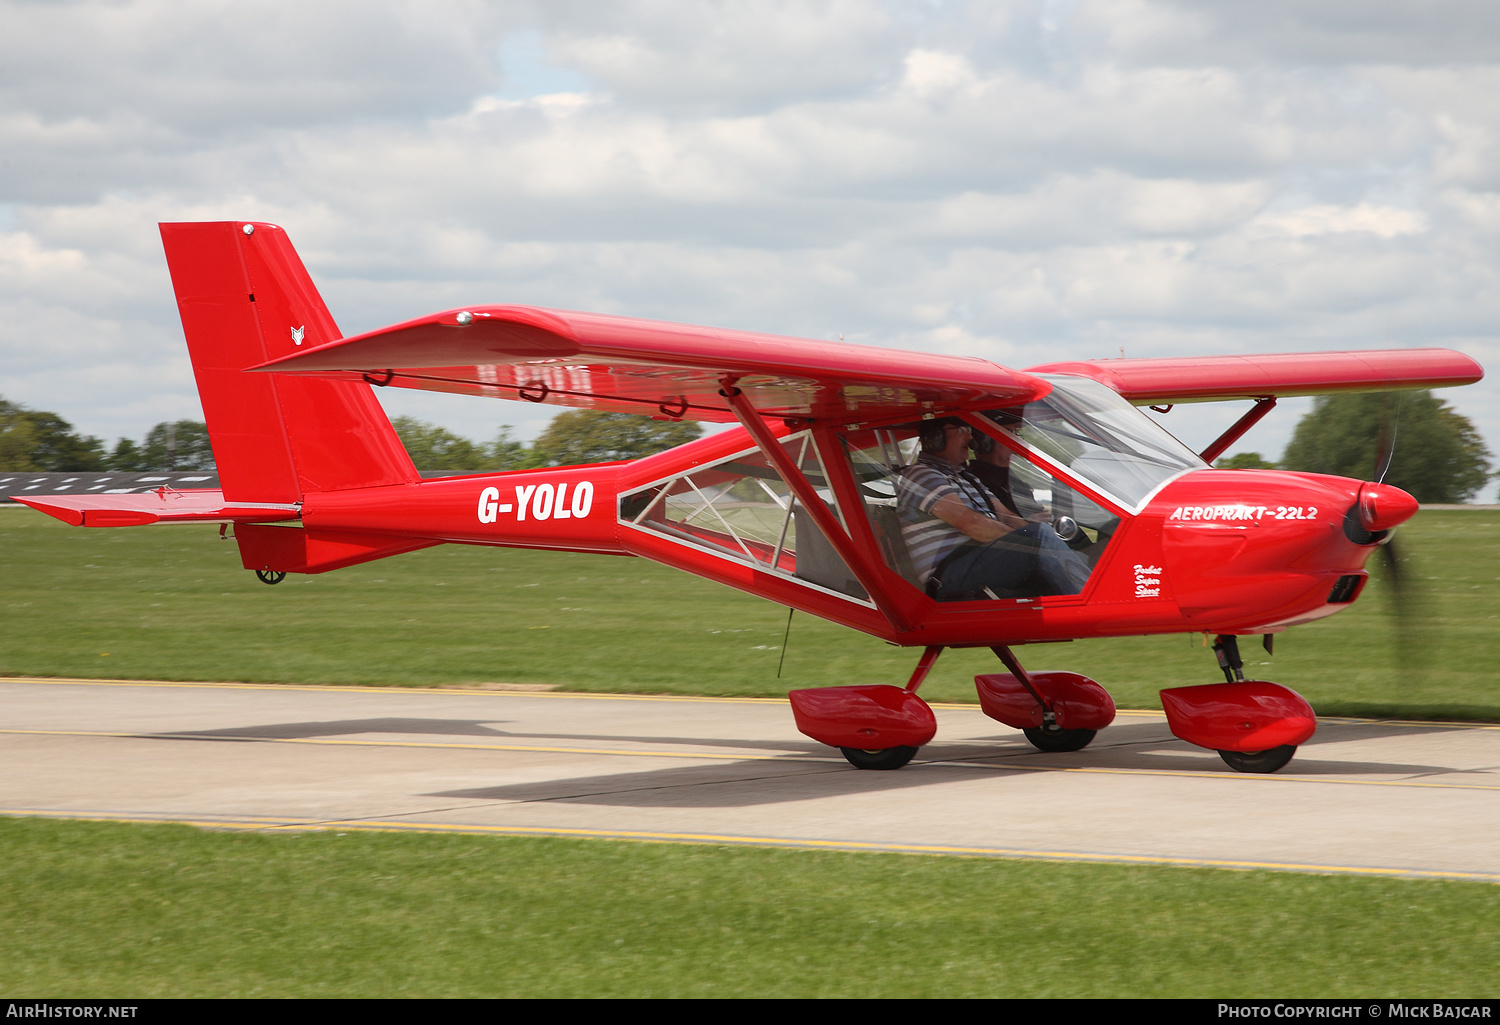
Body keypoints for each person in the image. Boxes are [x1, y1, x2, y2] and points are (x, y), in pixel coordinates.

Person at [896, 417, 1091, 600]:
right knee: (1040, 537)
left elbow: (1006, 516)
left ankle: (1088, 585)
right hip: (947, 576)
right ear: (934, 439)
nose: (970, 437)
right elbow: (971, 524)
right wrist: (1029, 542)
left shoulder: (968, 478)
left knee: (1056, 540)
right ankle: (1089, 600)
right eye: (962, 429)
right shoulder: (919, 475)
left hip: (975, 561)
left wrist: (1032, 539)